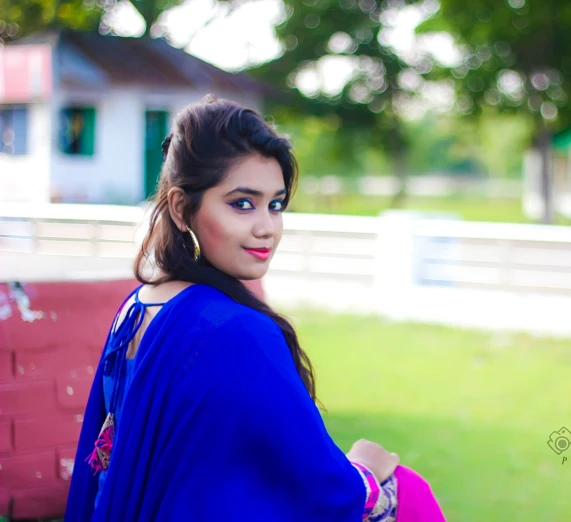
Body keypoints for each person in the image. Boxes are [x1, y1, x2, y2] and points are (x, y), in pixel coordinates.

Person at [65, 95, 445, 521]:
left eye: (276, 204)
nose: (266, 227)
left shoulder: (137, 307)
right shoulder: (232, 330)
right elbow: (322, 483)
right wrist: (368, 473)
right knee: (410, 492)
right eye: (242, 204)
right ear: (180, 207)